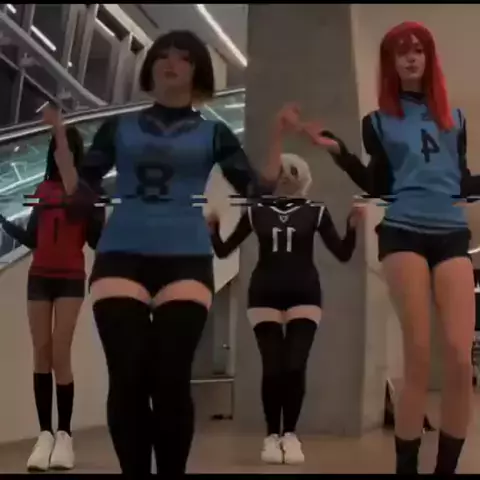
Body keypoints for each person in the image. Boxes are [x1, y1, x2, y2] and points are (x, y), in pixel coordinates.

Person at [49, 30, 285, 475]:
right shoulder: (118, 128)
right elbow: (84, 193)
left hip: (185, 258)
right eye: (162, 55)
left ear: (198, 72)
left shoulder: (215, 133)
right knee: (128, 376)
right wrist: (66, 160)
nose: (170, 63)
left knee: (171, 378)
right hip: (122, 255)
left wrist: (276, 138)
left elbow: (255, 191)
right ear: (151, 66)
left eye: (183, 58)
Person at [300, 21, 477, 474]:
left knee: (460, 359)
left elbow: (461, 182)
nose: (411, 57)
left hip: (451, 232)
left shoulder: (454, 119)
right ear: (391, 63)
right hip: (403, 231)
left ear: (429, 57)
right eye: (401, 52)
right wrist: (340, 153)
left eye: (418, 49)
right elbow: (377, 185)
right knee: (418, 354)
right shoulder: (377, 122)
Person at [208, 146, 362, 465]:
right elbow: (224, 250)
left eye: (291, 172)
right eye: (281, 172)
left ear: (303, 178)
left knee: (294, 364)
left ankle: (290, 434)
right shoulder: (256, 211)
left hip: (305, 294)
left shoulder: (315, 211)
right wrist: (213, 230)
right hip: (264, 294)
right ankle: (271, 436)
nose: (286, 178)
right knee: (273, 366)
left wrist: (352, 228)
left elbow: (343, 253)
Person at [0, 117, 104, 472]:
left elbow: (95, 239)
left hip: (70, 278)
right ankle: (44, 433)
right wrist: (5, 223)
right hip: (39, 278)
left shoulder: (85, 193)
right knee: (41, 352)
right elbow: (34, 237)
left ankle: (64, 434)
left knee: (61, 351)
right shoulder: (43, 190)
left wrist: (98, 214)